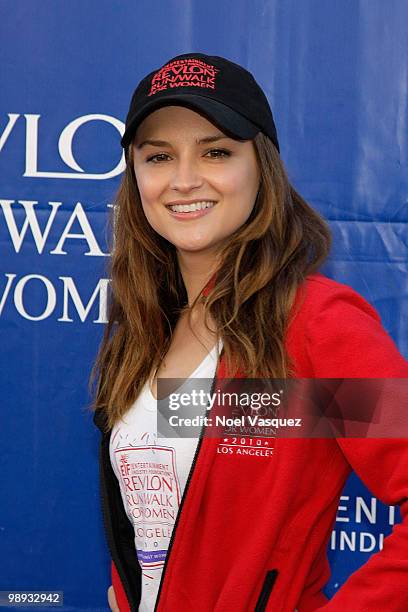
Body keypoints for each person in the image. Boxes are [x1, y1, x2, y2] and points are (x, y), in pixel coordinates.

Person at [90, 53, 408, 612]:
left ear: (260, 165)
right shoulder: (148, 326)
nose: (185, 180)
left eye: (216, 151)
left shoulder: (316, 324)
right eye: (159, 156)